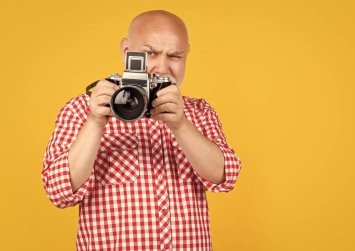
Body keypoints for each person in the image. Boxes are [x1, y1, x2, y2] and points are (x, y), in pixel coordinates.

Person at [42, 10, 241, 251]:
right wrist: (95, 122)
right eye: (150, 53)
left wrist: (181, 125)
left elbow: (226, 176)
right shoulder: (82, 110)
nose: (162, 67)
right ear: (127, 51)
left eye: (175, 56)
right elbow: (58, 190)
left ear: (187, 54)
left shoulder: (199, 112)